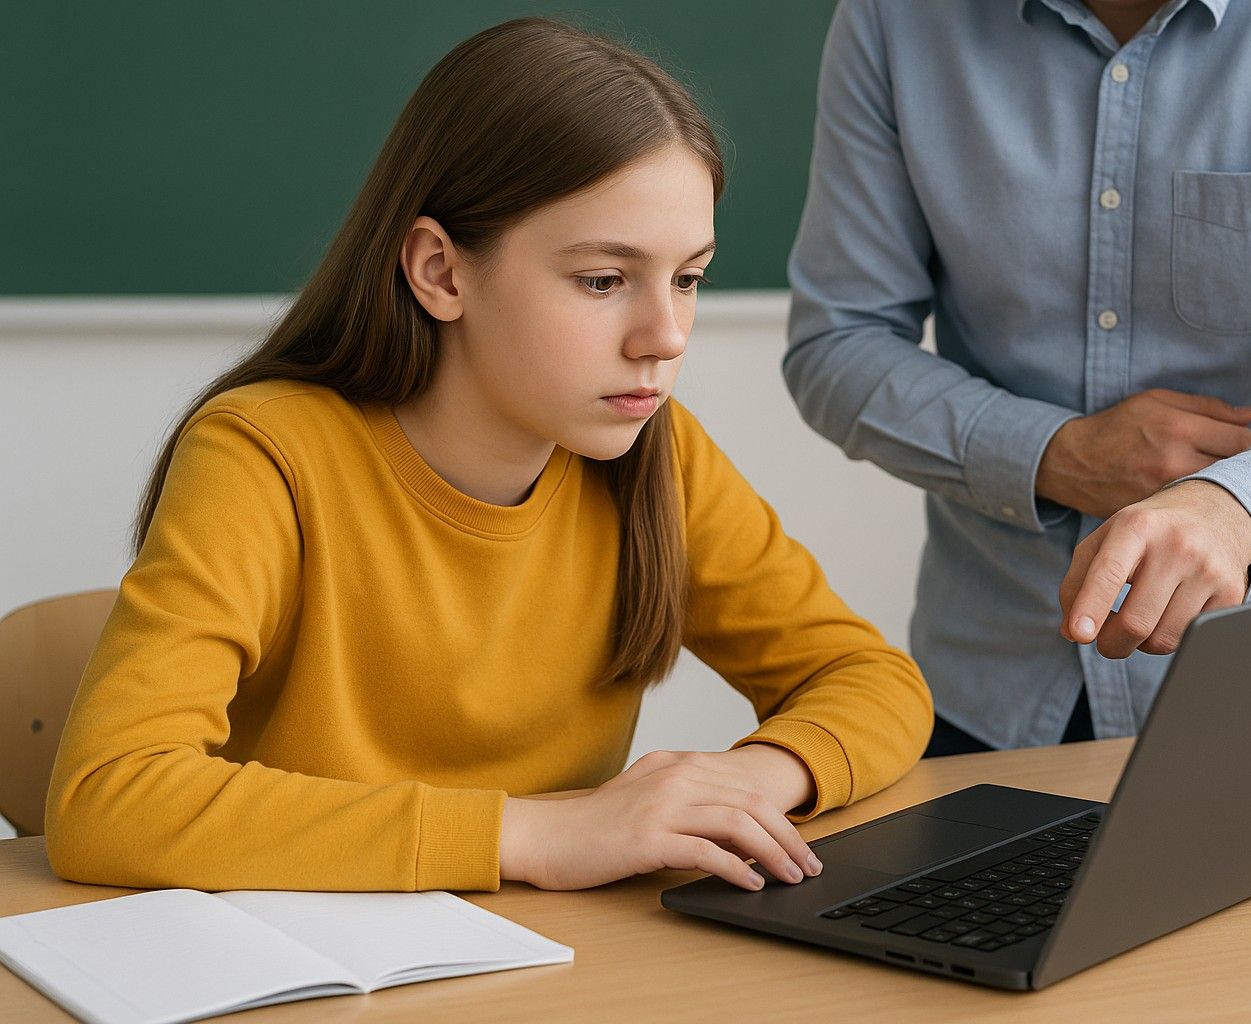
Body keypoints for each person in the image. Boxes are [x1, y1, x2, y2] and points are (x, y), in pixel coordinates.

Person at [45, 18, 932, 894]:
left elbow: (871, 680)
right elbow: (108, 797)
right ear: (441, 272)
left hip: (548, 959)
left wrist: (743, 785)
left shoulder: (656, 455)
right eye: (602, 280)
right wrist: (540, 833)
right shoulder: (267, 453)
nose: (664, 336)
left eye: (688, 278)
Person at [784, 0, 1251, 755]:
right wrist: (1055, 454)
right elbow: (838, 341)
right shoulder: (896, 18)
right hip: (991, 685)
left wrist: (1236, 510)